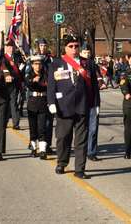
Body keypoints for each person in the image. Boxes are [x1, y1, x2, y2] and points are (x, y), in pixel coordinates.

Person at [47, 35, 98, 179]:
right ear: (65, 48)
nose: (74, 49)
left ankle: (80, 169)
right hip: (64, 107)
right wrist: (51, 103)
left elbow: (94, 86)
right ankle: (62, 162)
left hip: (82, 105)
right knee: (63, 137)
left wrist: (95, 104)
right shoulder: (56, 64)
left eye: (76, 46)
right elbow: (51, 86)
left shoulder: (88, 64)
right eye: (71, 46)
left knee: (81, 139)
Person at [80, 43, 101, 161]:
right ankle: (82, 149)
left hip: (93, 101)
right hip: (81, 102)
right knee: (83, 128)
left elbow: (96, 84)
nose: (86, 55)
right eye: (84, 52)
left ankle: (91, 151)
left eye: (88, 52)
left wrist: (97, 103)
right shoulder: (77, 64)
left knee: (93, 128)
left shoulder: (93, 65)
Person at [25, 55, 48, 160]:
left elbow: (48, 85)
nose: (38, 66)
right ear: (32, 65)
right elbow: (27, 83)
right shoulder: (29, 74)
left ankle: (43, 150)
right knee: (33, 127)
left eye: (39, 64)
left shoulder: (46, 74)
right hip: (32, 103)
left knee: (42, 127)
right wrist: (33, 80)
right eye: (35, 64)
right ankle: (34, 148)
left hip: (43, 102)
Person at [36, 38, 55, 154]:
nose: (42, 47)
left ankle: (47, 145)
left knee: (49, 120)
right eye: (41, 45)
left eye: (44, 45)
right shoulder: (35, 58)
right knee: (39, 121)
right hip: (38, 91)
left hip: (49, 91)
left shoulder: (51, 59)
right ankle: (36, 142)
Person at [3, 40, 24, 130]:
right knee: (5, 104)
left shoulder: (17, 56)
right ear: (6, 48)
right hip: (5, 84)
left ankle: (16, 123)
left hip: (15, 84)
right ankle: (4, 121)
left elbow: (22, 66)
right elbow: (3, 68)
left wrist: (21, 68)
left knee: (14, 103)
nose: (11, 49)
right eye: (9, 47)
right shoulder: (3, 57)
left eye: (12, 47)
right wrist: (8, 75)